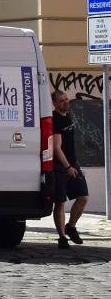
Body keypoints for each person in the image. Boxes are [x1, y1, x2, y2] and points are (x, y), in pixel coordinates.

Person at [51, 90, 89, 249]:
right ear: (54, 103)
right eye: (62, 100)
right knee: (60, 203)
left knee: (83, 197)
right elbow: (56, 147)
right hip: (61, 167)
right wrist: (67, 166)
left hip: (73, 164)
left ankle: (71, 227)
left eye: (66, 99)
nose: (66, 102)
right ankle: (62, 237)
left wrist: (73, 165)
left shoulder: (68, 116)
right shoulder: (55, 119)